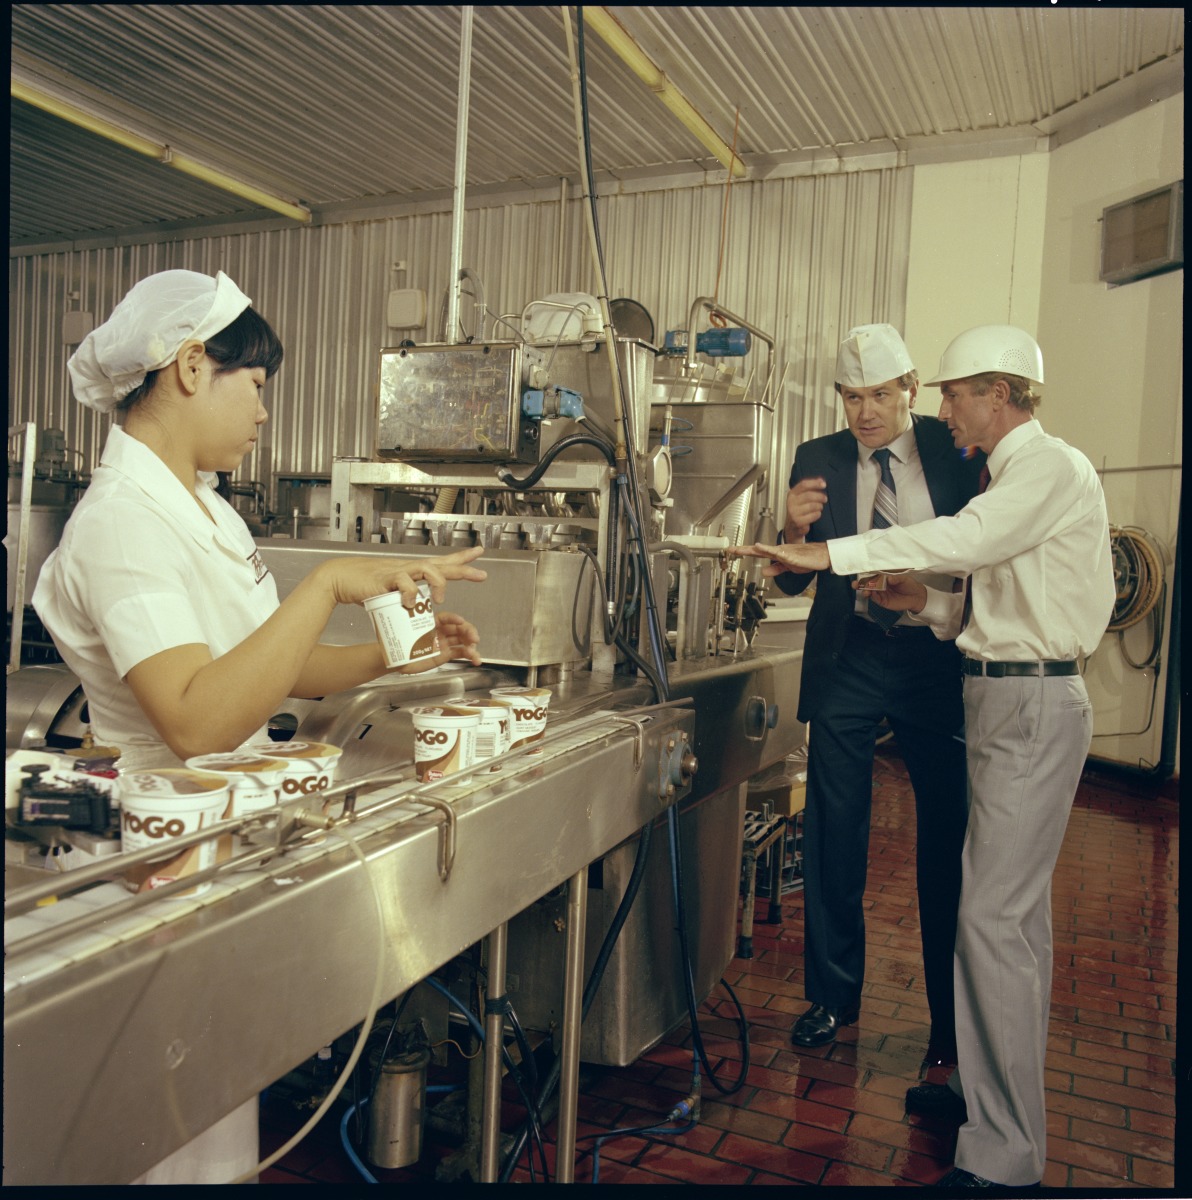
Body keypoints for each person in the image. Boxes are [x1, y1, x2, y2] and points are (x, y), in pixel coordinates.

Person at [31, 269, 489, 1182]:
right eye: (257, 385)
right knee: (164, 1140)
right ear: (192, 366)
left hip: (219, 843)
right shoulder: (121, 521)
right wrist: (325, 585)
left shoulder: (202, 505)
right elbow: (198, 717)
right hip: (153, 861)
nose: (266, 411)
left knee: (215, 1117)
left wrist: (396, 657)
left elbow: (260, 666)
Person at [730, 325, 1114, 1191]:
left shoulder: (1042, 468)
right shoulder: (1016, 470)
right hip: (994, 685)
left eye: (951, 394)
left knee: (991, 920)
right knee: (1000, 918)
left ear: (999, 393)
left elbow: (965, 541)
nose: (943, 413)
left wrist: (831, 552)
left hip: (1026, 700)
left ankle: (1006, 1156)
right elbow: (991, 599)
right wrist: (929, 607)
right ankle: (981, 1101)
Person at [769, 324, 980, 1064]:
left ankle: (952, 1025)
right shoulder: (817, 459)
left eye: (881, 396)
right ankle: (831, 998)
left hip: (934, 656)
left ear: (911, 390)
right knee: (834, 832)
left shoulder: (956, 451)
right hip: (849, 656)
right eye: (853, 398)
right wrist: (787, 526)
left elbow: (984, 554)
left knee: (948, 840)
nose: (866, 413)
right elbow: (793, 574)